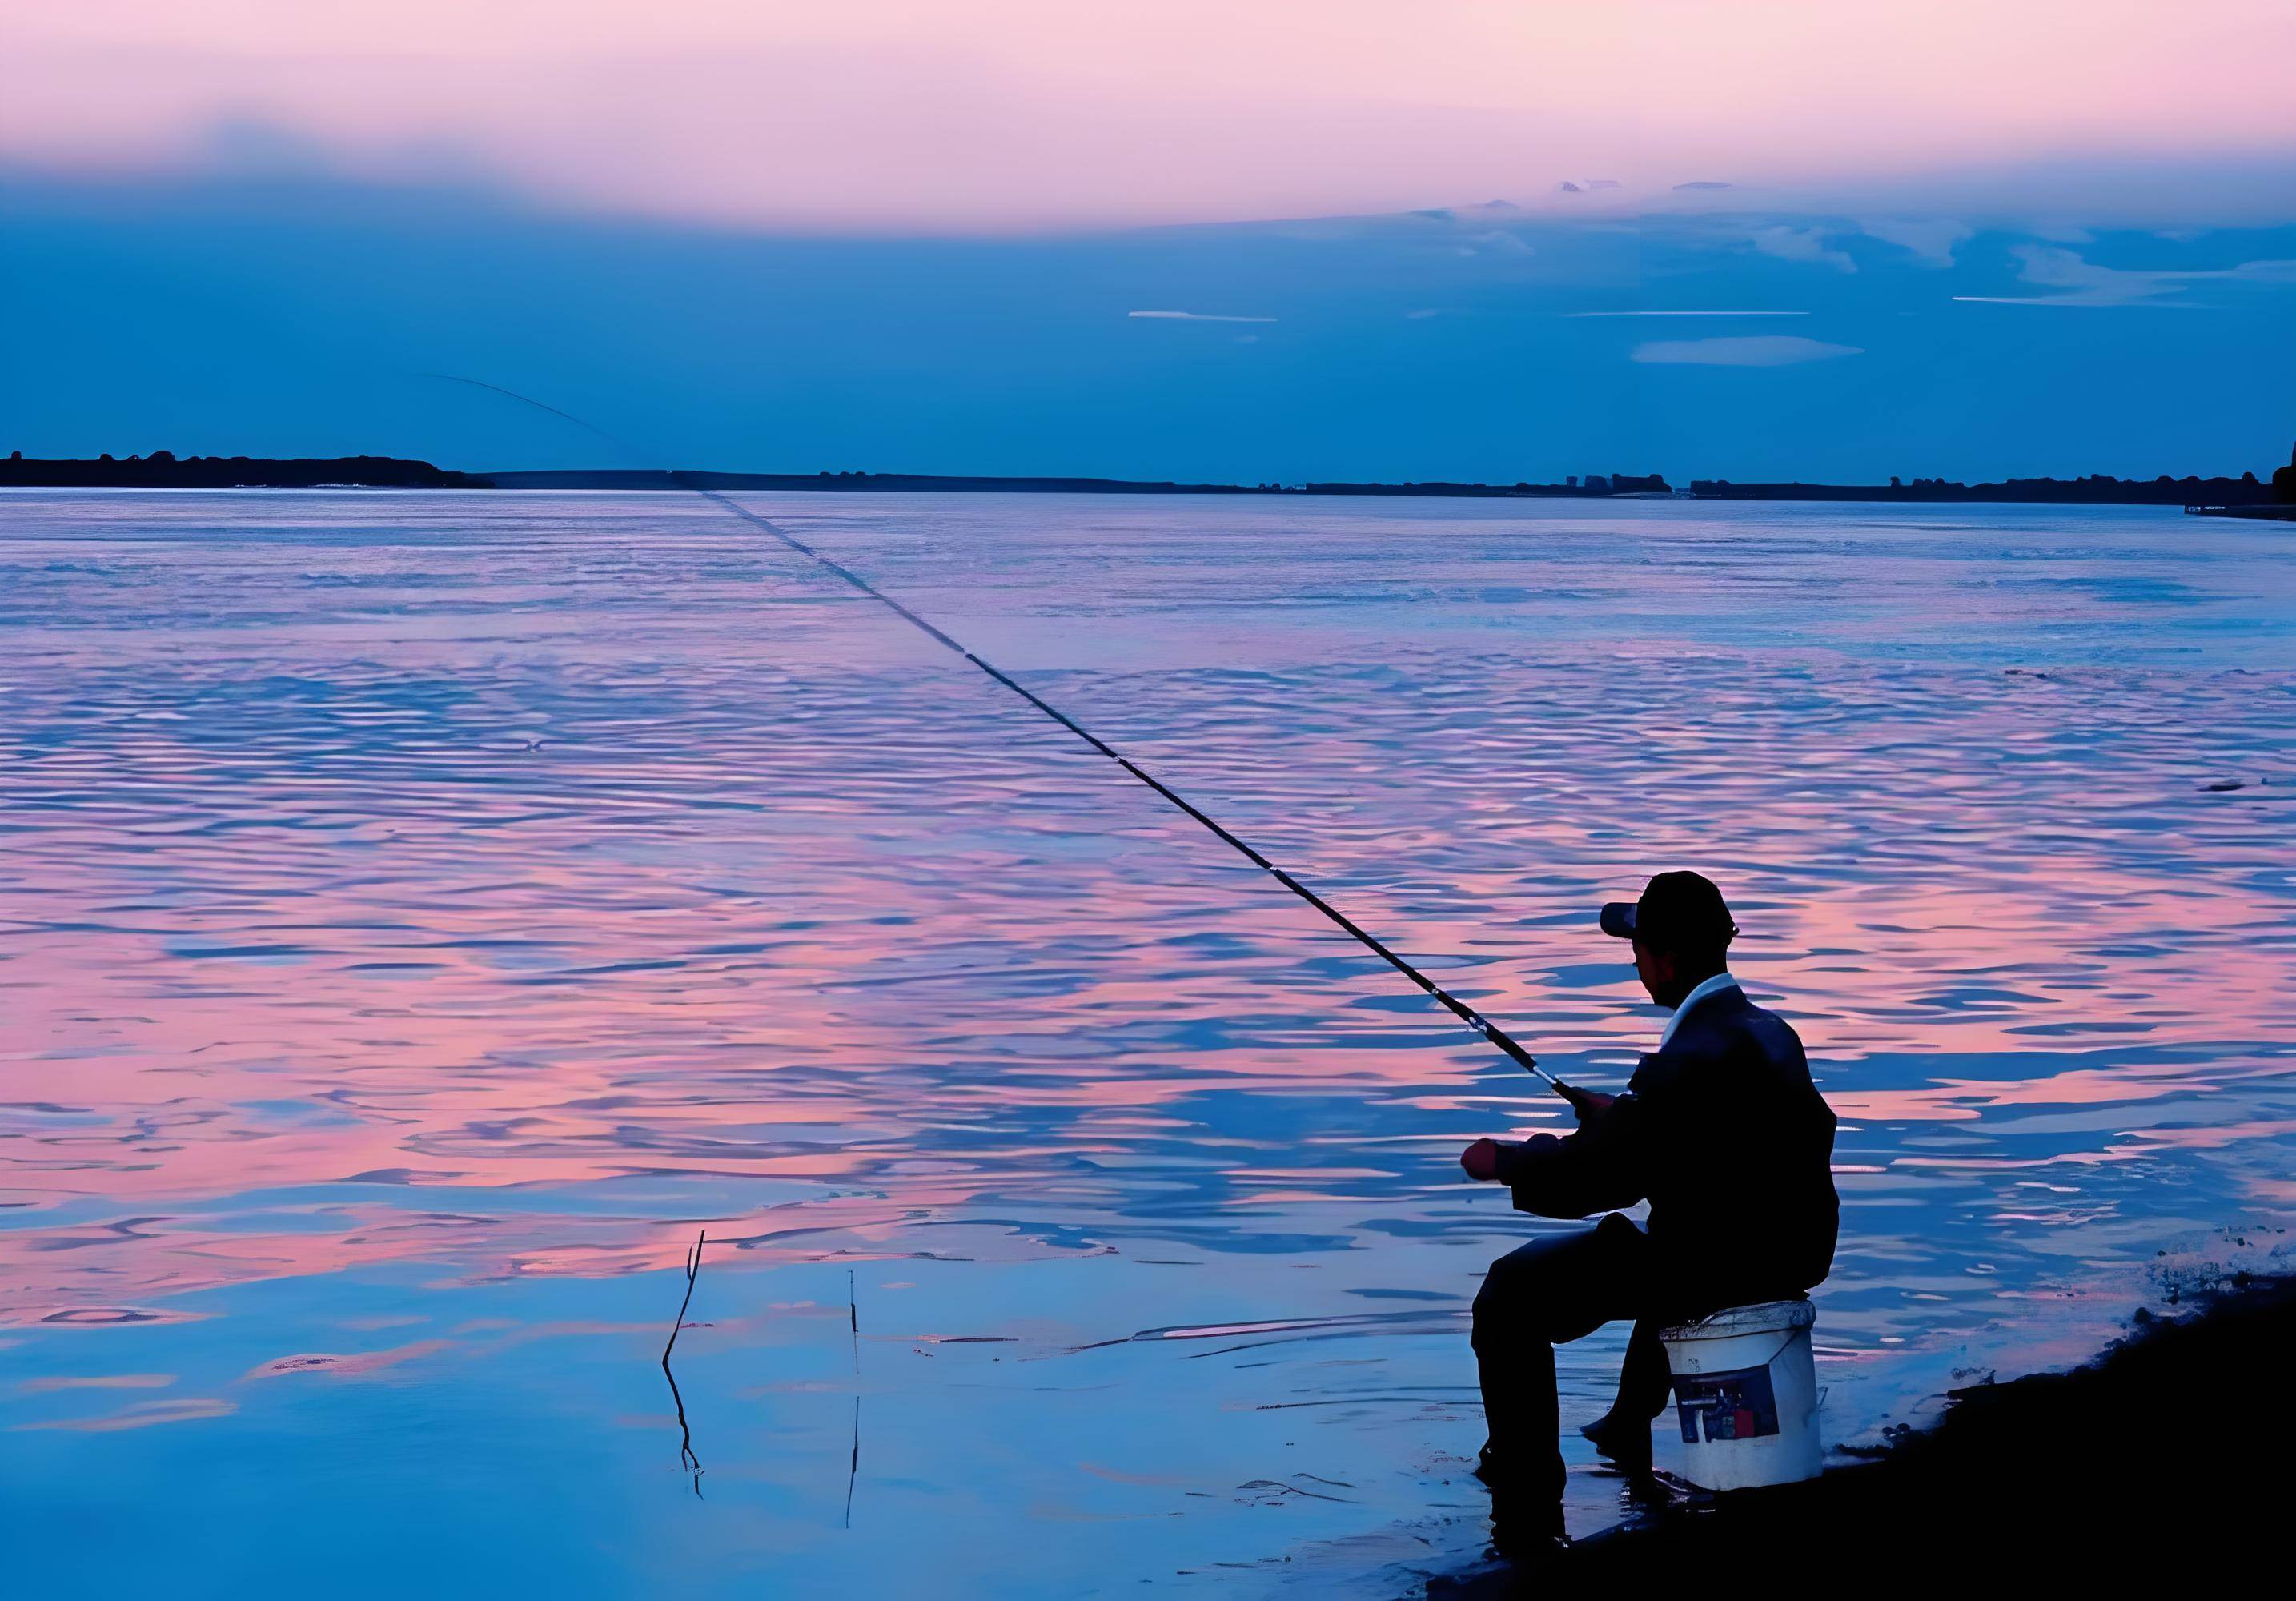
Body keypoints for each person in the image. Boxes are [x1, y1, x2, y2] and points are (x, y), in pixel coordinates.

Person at [1457, 870, 1838, 1558]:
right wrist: (1624, 1116)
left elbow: (1595, 1179)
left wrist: (1506, 1160)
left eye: (1638, 951)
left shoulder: (1683, 1060)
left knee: (1510, 1293)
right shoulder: (1770, 1032)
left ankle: (1527, 1492)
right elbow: (1722, 1139)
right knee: (1662, 1244)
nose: (1634, 963)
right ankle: (1627, 1425)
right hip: (1790, 1249)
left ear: (1664, 961)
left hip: (1719, 1262)